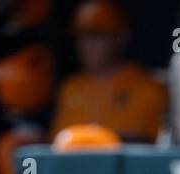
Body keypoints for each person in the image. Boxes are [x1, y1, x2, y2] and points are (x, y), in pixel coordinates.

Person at [49, 0, 167, 143]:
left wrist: (111, 140)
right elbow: (56, 144)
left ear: (120, 37)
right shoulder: (70, 88)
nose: (86, 44)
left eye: (96, 35)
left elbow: (159, 147)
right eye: (81, 36)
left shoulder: (148, 89)